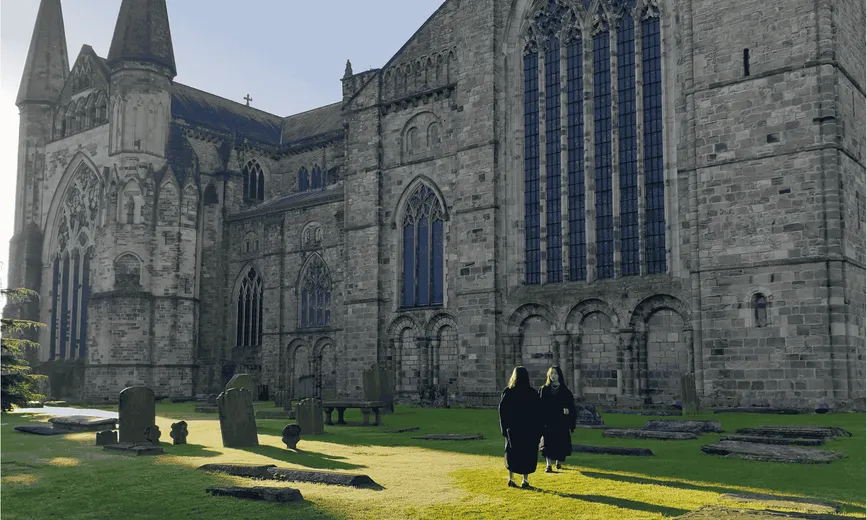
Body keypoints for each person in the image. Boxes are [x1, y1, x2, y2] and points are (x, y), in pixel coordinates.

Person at [498, 366, 543, 489]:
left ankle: (511, 478)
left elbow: (502, 411)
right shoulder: (532, 393)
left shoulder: (508, 392)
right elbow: (539, 414)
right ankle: (525, 480)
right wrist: (538, 431)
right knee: (527, 454)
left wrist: (504, 428)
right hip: (528, 430)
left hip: (513, 429)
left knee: (512, 454)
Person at [539, 366, 576, 472]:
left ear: (559, 375)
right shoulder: (544, 390)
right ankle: (548, 465)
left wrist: (568, 411)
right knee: (547, 442)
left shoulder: (565, 391)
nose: (553, 376)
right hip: (548, 421)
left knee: (560, 442)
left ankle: (558, 462)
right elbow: (539, 405)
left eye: (555, 373)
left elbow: (571, 406)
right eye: (551, 373)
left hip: (561, 421)